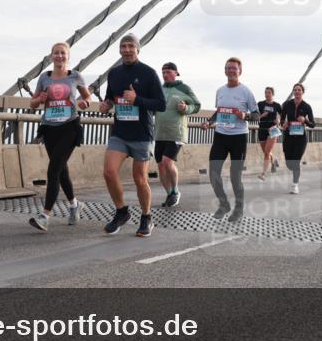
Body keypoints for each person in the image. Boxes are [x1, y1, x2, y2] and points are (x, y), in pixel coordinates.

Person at [98, 34, 166, 237]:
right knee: (109, 172)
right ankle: (122, 211)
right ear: (119, 50)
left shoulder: (148, 73)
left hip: (142, 134)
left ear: (138, 49)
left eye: (131, 46)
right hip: (120, 132)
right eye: (123, 46)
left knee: (139, 179)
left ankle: (146, 217)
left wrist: (137, 99)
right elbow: (111, 98)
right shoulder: (114, 73)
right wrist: (106, 105)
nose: (127, 50)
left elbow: (160, 104)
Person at [28, 41, 92, 232]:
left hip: (69, 128)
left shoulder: (75, 76)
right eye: (56, 53)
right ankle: (74, 205)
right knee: (61, 169)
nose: (59, 56)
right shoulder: (44, 78)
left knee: (53, 170)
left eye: (63, 53)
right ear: (51, 56)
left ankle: (45, 216)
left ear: (68, 56)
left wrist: (85, 103)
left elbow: (87, 97)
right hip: (49, 128)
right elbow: (32, 104)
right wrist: (38, 100)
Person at [201, 57, 259, 222]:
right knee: (213, 173)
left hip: (238, 138)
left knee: (235, 176)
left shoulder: (246, 92)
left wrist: (245, 115)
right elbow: (219, 112)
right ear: (225, 70)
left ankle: (238, 209)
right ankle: (224, 204)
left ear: (240, 71)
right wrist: (208, 122)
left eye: (234, 68)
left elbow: (257, 115)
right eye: (228, 68)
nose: (231, 70)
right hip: (220, 136)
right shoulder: (220, 91)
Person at [154, 62, 201, 208]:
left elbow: (197, 105)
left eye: (168, 72)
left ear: (176, 73)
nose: (165, 74)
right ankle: (169, 194)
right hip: (160, 133)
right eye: (163, 72)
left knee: (168, 162)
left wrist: (186, 108)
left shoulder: (183, 88)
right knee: (161, 165)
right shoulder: (158, 89)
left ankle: (175, 191)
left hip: (176, 133)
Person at [281, 83, 316, 194]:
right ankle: (295, 170)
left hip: (301, 139)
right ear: (293, 92)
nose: (297, 92)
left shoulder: (306, 106)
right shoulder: (287, 104)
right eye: (295, 90)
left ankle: (295, 185)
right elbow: (281, 120)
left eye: (299, 90)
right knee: (289, 163)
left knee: (295, 162)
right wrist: (284, 124)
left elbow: (313, 124)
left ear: (302, 92)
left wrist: (304, 120)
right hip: (288, 137)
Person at [257, 87, 284, 180]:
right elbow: (255, 117)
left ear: (273, 94)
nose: (267, 94)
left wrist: (279, 120)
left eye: (269, 92)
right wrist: (261, 116)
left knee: (267, 152)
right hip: (262, 130)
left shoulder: (277, 105)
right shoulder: (260, 104)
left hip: (272, 130)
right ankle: (274, 162)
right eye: (265, 92)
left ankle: (263, 174)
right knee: (266, 152)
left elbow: (283, 116)